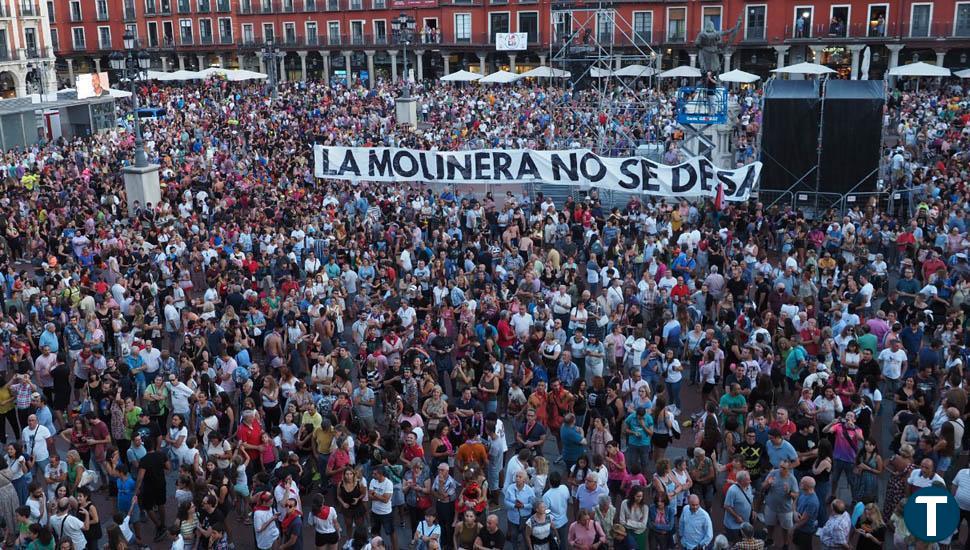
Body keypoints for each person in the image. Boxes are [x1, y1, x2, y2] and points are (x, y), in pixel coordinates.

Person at [792, 476, 819, 550]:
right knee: (796, 544)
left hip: (805, 531)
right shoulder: (802, 492)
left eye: (802, 483)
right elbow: (795, 501)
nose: (799, 483)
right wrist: (794, 512)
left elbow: (803, 520)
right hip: (798, 527)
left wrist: (793, 528)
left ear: (807, 486)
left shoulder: (812, 502)